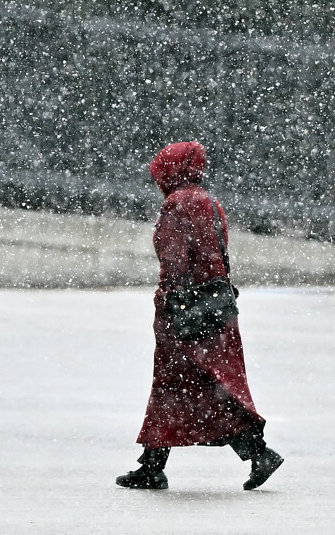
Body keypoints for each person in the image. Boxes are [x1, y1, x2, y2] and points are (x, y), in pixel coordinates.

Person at [116, 141, 284, 491]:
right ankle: (154, 463)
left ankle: (256, 453)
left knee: (177, 386)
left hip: (185, 310)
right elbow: (219, 254)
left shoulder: (176, 204)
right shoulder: (209, 201)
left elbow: (174, 263)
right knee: (209, 384)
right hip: (215, 305)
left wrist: (166, 305)